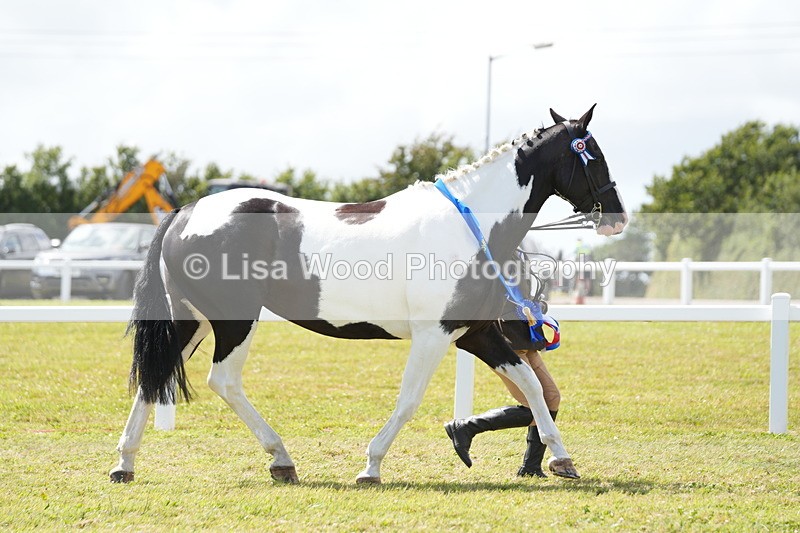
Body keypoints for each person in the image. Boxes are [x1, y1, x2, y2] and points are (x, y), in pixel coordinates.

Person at [444, 316, 561, 477]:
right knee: (533, 406)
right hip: (503, 330)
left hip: (524, 327)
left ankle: (531, 467)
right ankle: (466, 426)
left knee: (551, 398)